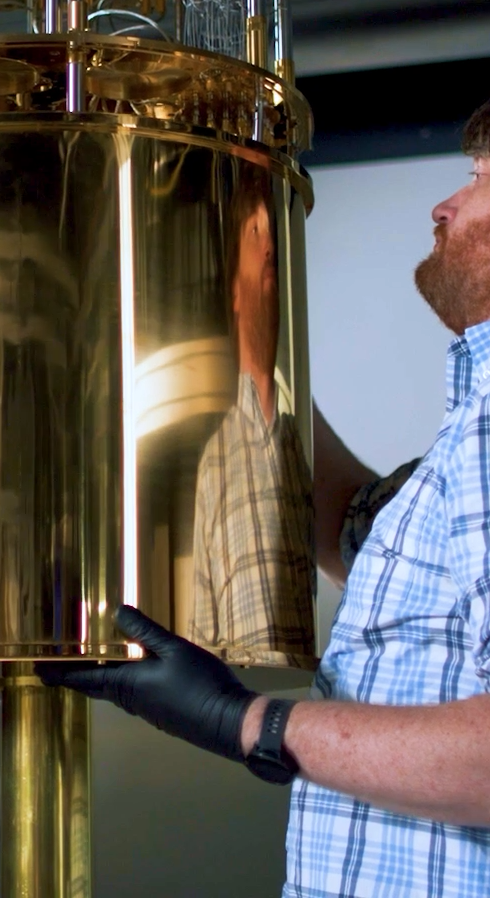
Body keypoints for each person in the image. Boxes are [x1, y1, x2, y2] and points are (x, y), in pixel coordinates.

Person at [44, 65, 490, 896]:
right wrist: (244, 338)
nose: (447, 206)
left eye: (481, 176)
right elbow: (355, 533)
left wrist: (243, 722)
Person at [189, 171, 315, 667]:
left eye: (273, 239)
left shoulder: (294, 441)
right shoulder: (216, 456)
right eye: (254, 235)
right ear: (232, 291)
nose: (269, 254)